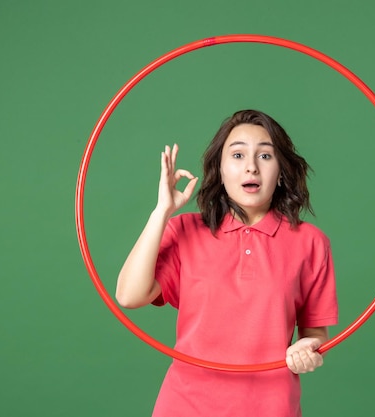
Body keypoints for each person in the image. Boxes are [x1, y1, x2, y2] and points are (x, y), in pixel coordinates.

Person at [116, 109, 338, 417]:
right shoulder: (185, 230)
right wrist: (161, 212)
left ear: (282, 170)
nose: (251, 167)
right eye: (237, 155)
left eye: (265, 156)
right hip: (185, 405)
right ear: (220, 170)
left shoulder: (311, 242)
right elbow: (129, 295)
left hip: (272, 408)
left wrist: (308, 350)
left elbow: (315, 335)